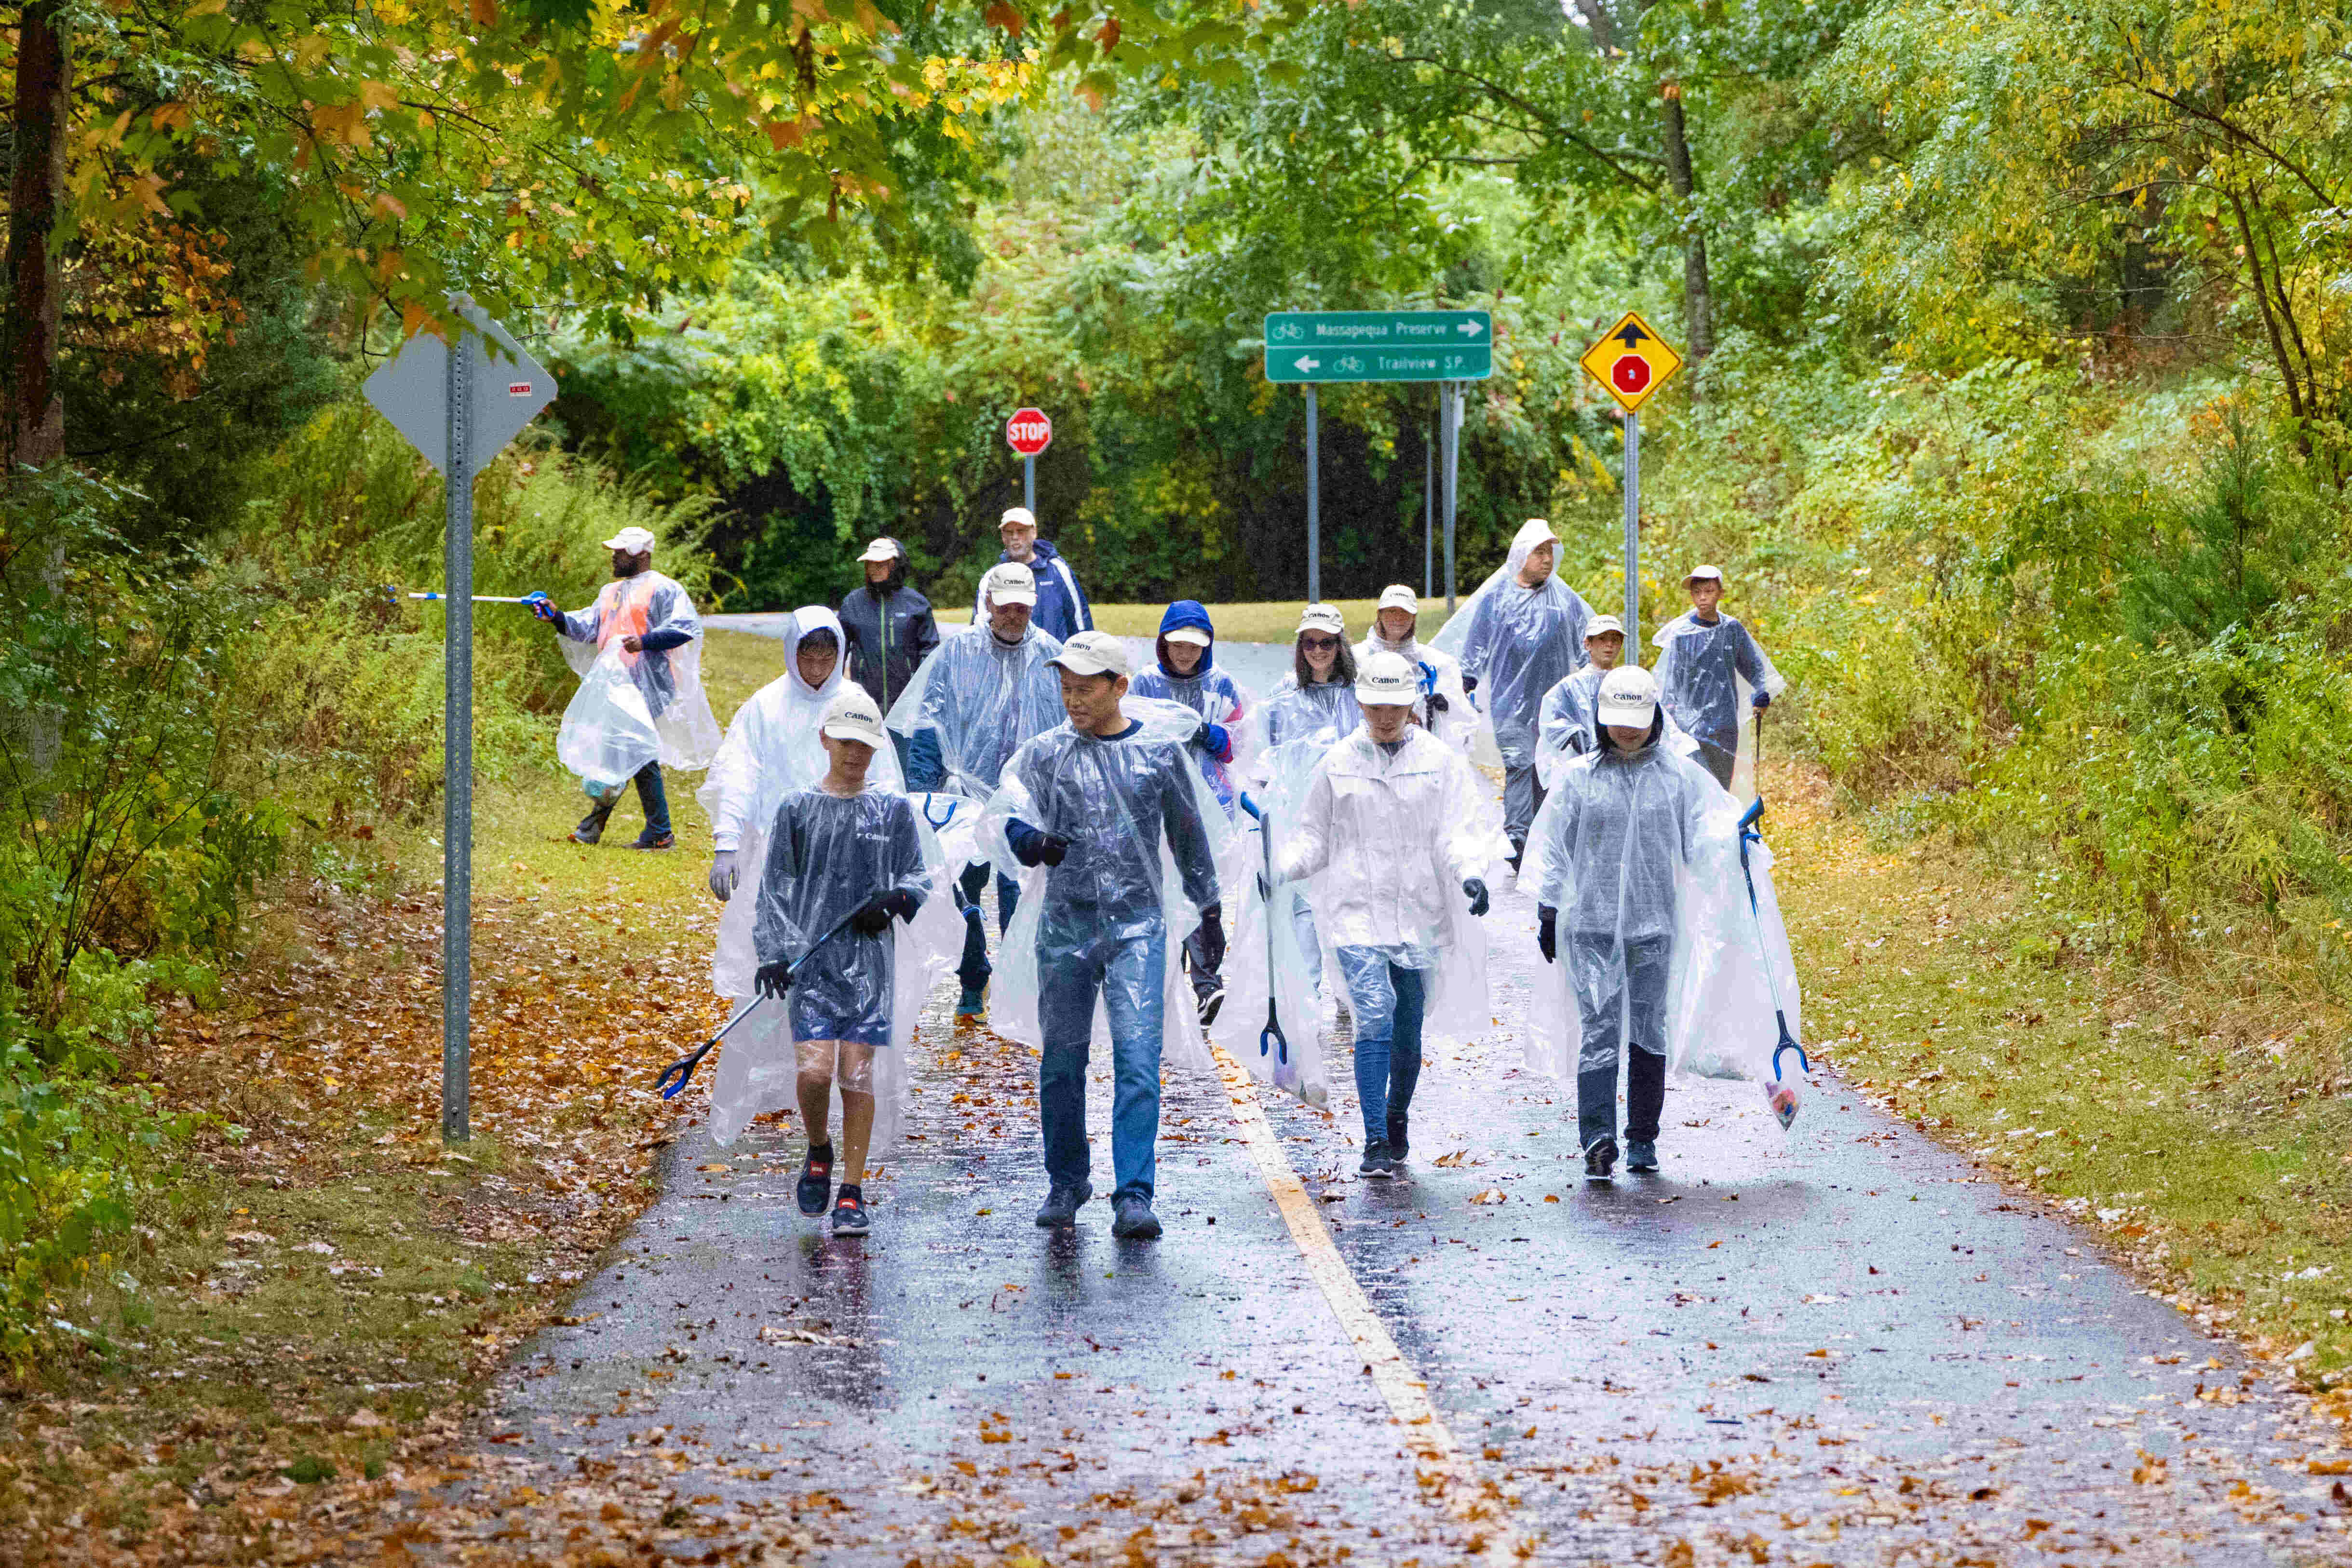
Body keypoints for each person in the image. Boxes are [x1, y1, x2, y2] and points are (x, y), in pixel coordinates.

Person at [985, 631, 1222, 1240]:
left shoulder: (1159, 756)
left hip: (1138, 928)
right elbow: (1005, 805)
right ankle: (1067, 1180)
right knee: (1061, 1061)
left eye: (1085, 689)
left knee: (1138, 1059)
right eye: (1065, 688)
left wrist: (1209, 912)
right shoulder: (1046, 754)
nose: (1073, 700)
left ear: (1120, 687)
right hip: (1065, 926)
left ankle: (1135, 1193)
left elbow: (1190, 838)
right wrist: (1024, 839)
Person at [1275, 653, 1499, 1178]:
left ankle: (1397, 1114)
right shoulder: (1337, 762)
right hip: (1356, 911)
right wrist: (1281, 868)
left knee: (1407, 1026)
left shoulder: (1440, 762)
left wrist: (1471, 873)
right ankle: (1375, 1137)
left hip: (1419, 910)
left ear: (1411, 703)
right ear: (1360, 703)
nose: (1384, 716)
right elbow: (1314, 835)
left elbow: (1457, 829)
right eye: (1375, 706)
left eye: (1395, 706)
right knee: (1373, 1013)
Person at [748, 688, 934, 1236]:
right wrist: (774, 953)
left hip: (870, 963)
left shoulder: (893, 811)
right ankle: (818, 1148)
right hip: (811, 961)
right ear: (826, 739)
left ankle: (851, 1191)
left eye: (866, 744)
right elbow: (776, 889)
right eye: (847, 740)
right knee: (815, 1070)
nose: (856, 753)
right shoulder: (797, 809)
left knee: (856, 1072)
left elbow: (917, 877)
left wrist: (897, 901)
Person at [1528, 666, 1719, 1180]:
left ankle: (1642, 1138)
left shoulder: (1679, 778)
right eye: (1617, 721)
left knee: (1648, 1030)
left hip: (1655, 926)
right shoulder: (1577, 779)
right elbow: (1553, 849)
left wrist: (1736, 849)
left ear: (1656, 718)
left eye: (1637, 721)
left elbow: (1705, 837)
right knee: (1598, 1029)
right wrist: (1548, 908)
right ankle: (1598, 1137)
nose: (1628, 731)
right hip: (1590, 924)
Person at [888, 561, 1067, 1019]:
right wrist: (924, 794)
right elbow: (928, 724)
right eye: (1005, 606)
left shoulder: (1050, 655)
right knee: (963, 891)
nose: (1013, 616)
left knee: (1020, 892)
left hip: (1024, 798)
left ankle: (1018, 982)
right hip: (961, 796)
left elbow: (1066, 731)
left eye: (1022, 608)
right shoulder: (957, 654)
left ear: (1032, 607)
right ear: (988, 603)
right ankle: (973, 980)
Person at [533, 524, 722, 850]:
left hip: (650, 685)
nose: (614, 557)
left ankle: (638, 832)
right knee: (630, 751)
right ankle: (640, 832)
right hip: (614, 683)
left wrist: (644, 642)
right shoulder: (611, 592)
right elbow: (588, 627)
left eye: (619, 552)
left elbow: (685, 627)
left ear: (640, 554)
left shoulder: (664, 589)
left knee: (634, 750)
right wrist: (556, 617)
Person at [1432, 518, 1596, 872]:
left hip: (1554, 703)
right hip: (1510, 703)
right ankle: (1518, 839)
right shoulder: (1497, 598)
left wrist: (1595, 680)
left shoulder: (1563, 599)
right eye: (1539, 552)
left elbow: (1588, 643)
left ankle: (1540, 838)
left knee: (1545, 769)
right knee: (1521, 765)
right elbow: (1475, 648)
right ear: (1522, 554)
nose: (1547, 559)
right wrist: (1464, 686)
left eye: (1550, 551)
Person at [1130, 600, 1250, 1027]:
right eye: (1178, 645)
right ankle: (1163, 989)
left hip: (1209, 807)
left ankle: (1206, 984)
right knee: (1161, 897)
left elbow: (1238, 744)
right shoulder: (1144, 683)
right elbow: (1126, 737)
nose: (1185, 654)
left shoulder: (1223, 686)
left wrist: (1207, 732)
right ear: (1164, 643)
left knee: (1205, 900)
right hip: (1157, 806)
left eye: (1194, 646)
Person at [1250, 604, 1364, 1001]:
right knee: (1301, 908)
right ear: (1300, 646)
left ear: (1340, 645)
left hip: (1349, 816)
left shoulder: (1359, 694)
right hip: (1297, 819)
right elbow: (1264, 754)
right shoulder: (1283, 694)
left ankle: (1351, 996)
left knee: (1347, 903)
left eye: (1327, 643)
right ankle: (1306, 1000)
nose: (1318, 651)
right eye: (1310, 643)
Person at [1651, 565, 1786, 794]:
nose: (1703, 597)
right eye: (1697, 592)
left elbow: (1754, 666)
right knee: (1692, 788)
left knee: (1720, 790)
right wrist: (1672, 723)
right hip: (1688, 728)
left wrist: (1761, 693)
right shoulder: (1682, 634)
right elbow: (1671, 684)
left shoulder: (1732, 629)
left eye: (1709, 591)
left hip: (1724, 725)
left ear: (1721, 593)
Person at [837, 536, 940, 769]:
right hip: (865, 703)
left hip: (906, 707)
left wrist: (922, 695)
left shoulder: (917, 604)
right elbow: (838, 652)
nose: (875, 569)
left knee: (905, 768)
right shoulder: (853, 604)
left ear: (896, 565)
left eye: (882, 563)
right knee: (867, 768)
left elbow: (932, 653)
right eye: (871, 563)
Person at [1355, 584, 1471, 749]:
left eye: (1404, 612)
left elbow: (1457, 720)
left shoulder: (1436, 662)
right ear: (1380, 615)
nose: (1398, 618)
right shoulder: (1358, 657)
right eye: (1392, 611)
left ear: (1414, 617)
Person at [970, 506, 1093, 641]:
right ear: (1003, 536)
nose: (1015, 537)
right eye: (1009, 532)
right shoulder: (991, 578)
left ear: (1034, 533)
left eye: (1021, 531)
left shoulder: (1059, 571)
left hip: (1054, 660)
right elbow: (978, 632)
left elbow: (1081, 625)